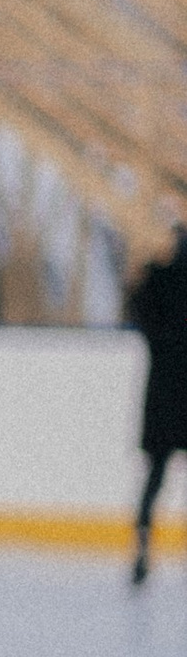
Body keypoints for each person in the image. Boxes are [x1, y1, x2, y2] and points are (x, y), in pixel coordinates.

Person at [124, 224, 187, 583]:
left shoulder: (158, 280)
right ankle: (143, 545)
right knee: (155, 474)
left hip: (163, 394)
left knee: (155, 474)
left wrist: (139, 281)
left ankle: (143, 545)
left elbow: (138, 312)